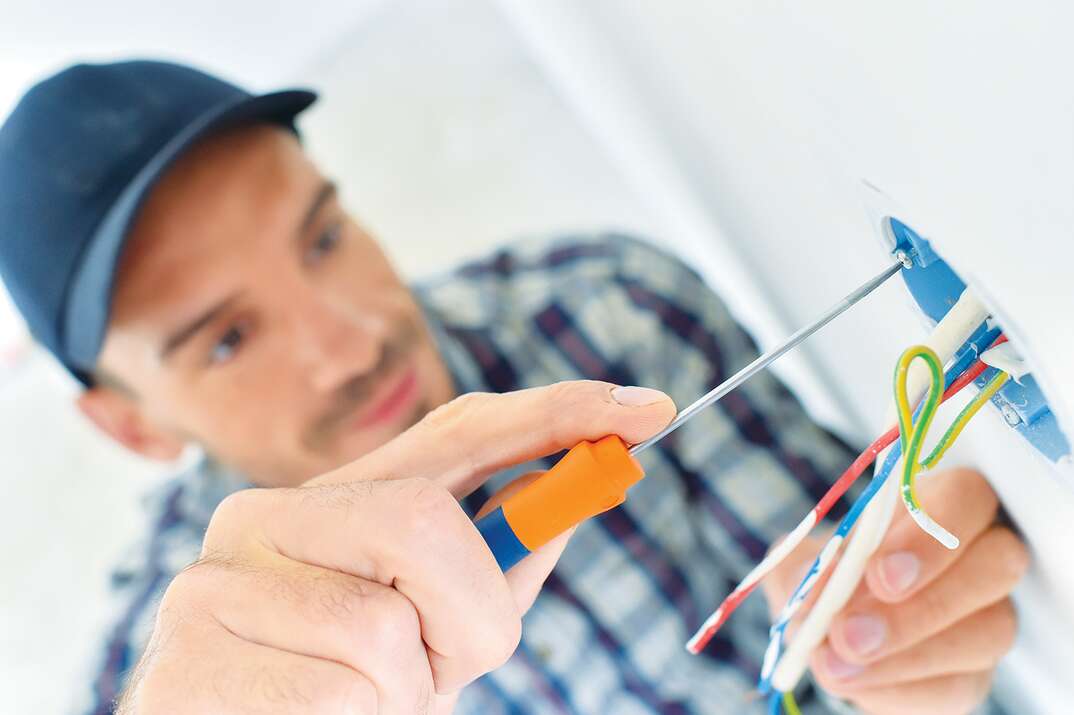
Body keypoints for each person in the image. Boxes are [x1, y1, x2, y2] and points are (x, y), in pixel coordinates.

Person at [0, 61, 1027, 715]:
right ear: (129, 426)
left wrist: (901, 649)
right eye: (226, 340)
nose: (352, 342)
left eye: (321, 237)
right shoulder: (171, 675)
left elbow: (854, 614)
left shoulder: (612, 314)